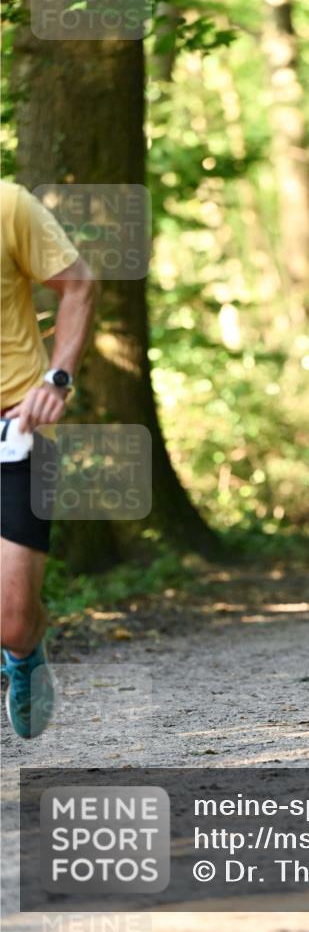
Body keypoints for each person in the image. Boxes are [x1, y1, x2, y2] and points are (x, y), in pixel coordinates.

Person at [1, 180, 96, 738]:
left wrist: (56, 380)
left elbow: (79, 284)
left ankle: (23, 652)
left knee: (12, 618)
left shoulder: (9, 205)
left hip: (15, 427)